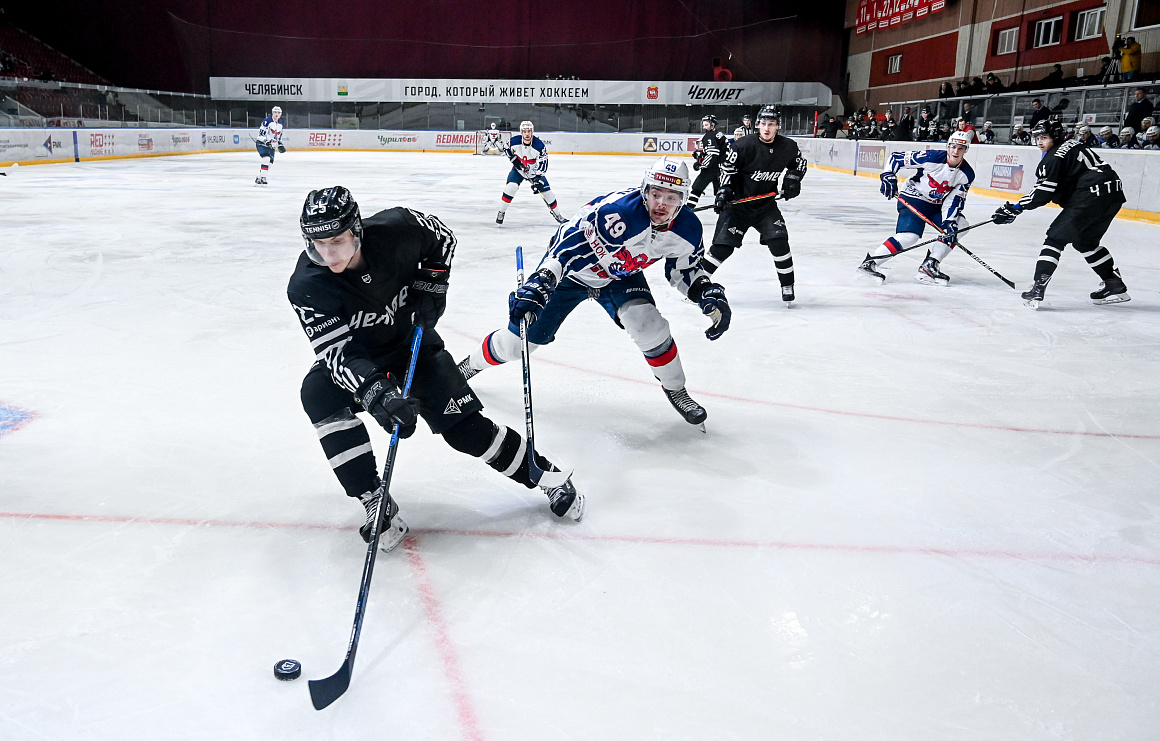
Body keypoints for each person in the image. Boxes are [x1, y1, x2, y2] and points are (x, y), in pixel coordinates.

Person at [289, 188, 584, 551]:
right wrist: (377, 393)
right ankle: (373, 498)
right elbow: (336, 353)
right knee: (317, 393)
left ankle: (544, 474)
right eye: (319, 243)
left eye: (337, 240)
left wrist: (431, 288)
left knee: (467, 432)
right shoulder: (307, 286)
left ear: (357, 230)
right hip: (363, 361)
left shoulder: (398, 228)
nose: (329, 254)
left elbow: (442, 238)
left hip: (415, 346)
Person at [458, 158, 730, 427]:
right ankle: (471, 365)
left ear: (682, 200)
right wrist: (543, 280)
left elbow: (684, 271)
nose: (660, 204)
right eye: (656, 193)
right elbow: (569, 242)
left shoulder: (688, 229)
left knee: (648, 324)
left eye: (670, 197)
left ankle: (676, 389)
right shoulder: (619, 213)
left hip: (620, 276)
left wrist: (705, 292)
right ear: (644, 190)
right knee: (518, 344)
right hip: (573, 273)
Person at [991, 120, 1129, 308]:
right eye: (1037, 138)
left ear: (1055, 137)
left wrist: (1014, 208)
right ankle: (1113, 283)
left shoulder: (1053, 158)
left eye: (1044, 138)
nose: (1040, 142)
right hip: (1113, 195)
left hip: (1090, 195)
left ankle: (1038, 287)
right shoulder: (1073, 144)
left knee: (1054, 239)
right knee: (1085, 242)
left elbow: (1041, 195)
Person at [699, 105, 807, 304]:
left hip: (765, 206)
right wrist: (724, 191)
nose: (767, 128)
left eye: (771, 124)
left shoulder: (788, 146)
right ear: (757, 125)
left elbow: (799, 164)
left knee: (779, 242)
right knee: (722, 248)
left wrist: (793, 180)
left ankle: (787, 285)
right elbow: (727, 169)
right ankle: (695, 285)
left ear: (778, 126)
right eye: (763, 124)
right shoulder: (743, 145)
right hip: (738, 206)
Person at [857, 131, 975, 286]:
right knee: (909, 236)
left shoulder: (967, 174)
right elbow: (896, 158)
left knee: (959, 227)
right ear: (948, 146)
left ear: (966, 150)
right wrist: (888, 175)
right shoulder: (932, 157)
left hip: (936, 205)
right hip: (913, 199)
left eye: (960, 148)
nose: (955, 151)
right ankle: (870, 263)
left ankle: (930, 265)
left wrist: (949, 221)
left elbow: (954, 199)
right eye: (953, 146)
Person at [497, 121, 565, 225]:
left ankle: (558, 215)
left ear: (532, 132)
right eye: (524, 131)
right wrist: (513, 158)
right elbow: (506, 147)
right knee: (510, 188)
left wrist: (538, 178)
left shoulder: (539, 145)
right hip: (518, 170)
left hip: (534, 171)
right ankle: (501, 212)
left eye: (529, 131)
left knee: (548, 194)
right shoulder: (515, 141)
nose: (527, 134)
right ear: (521, 132)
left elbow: (544, 162)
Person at [688, 114, 729, 209]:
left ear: (713, 125)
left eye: (706, 124)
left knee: (696, 189)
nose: (704, 126)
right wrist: (702, 154)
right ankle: (723, 210)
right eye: (704, 124)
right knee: (719, 192)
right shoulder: (719, 134)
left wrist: (700, 164)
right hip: (721, 168)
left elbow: (713, 153)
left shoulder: (710, 135)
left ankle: (689, 209)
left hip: (711, 169)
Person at [254, 106, 284, 186]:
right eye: (275, 112)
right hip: (262, 144)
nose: (276, 114)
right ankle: (263, 178)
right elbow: (261, 135)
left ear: (280, 114)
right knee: (266, 159)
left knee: (270, 163)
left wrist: (279, 144)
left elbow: (278, 136)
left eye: (278, 113)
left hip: (272, 146)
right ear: (272, 113)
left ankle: (259, 178)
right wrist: (266, 141)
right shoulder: (267, 121)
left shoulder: (280, 123)